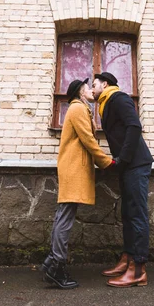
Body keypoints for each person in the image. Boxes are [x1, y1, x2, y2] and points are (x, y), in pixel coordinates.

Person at [41, 78, 114, 289]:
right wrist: (105, 161)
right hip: (74, 169)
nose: (91, 89)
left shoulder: (79, 109)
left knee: (62, 216)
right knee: (65, 219)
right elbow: (88, 140)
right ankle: (57, 266)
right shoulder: (78, 109)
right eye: (87, 87)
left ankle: (51, 262)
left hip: (72, 168)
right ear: (80, 92)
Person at [92, 72, 154, 288]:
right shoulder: (105, 104)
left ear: (105, 84)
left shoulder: (118, 98)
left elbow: (134, 126)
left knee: (136, 214)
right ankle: (127, 258)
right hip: (128, 166)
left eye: (94, 85)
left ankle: (138, 270)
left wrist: (123, 159)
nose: (92, 89)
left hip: (135, 163)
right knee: (127, 214)